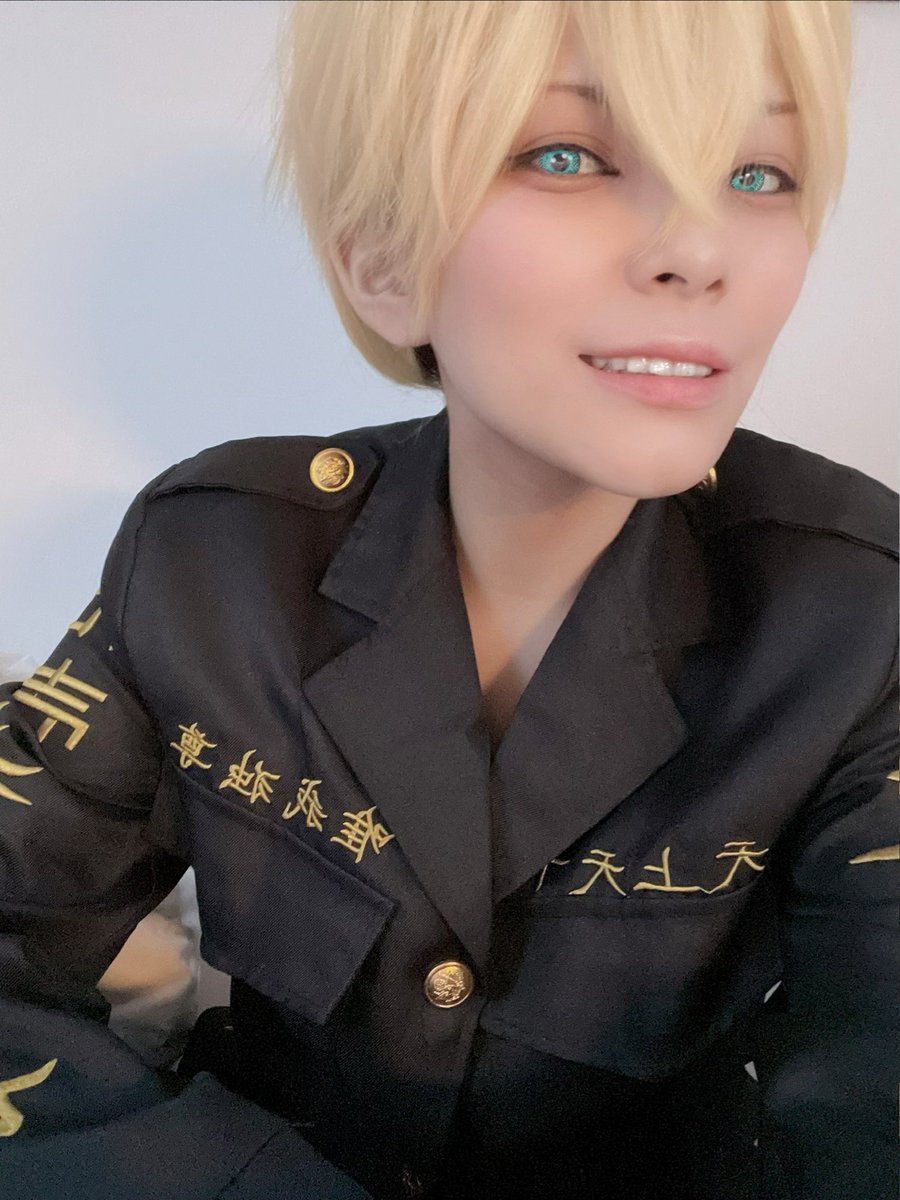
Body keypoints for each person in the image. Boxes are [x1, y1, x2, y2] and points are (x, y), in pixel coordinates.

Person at [1, 2, 896, 1198]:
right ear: (383, 261)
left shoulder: (855, 619)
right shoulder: (210, 563)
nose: (700, 248)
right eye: (567, 155)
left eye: (758, 173)